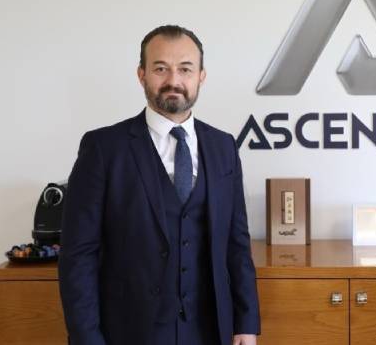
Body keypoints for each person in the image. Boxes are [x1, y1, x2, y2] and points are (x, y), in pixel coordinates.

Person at [59, 25, 260, 345]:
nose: (173, 80)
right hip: (129, 331)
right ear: (141, 75)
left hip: (209, 330)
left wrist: (245, 324)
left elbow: (237, 245)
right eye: (160, 68)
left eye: (185, 69)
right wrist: (87, 339)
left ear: (201, 77)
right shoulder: (103, 148)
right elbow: (78, 255)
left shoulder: (223, 147)